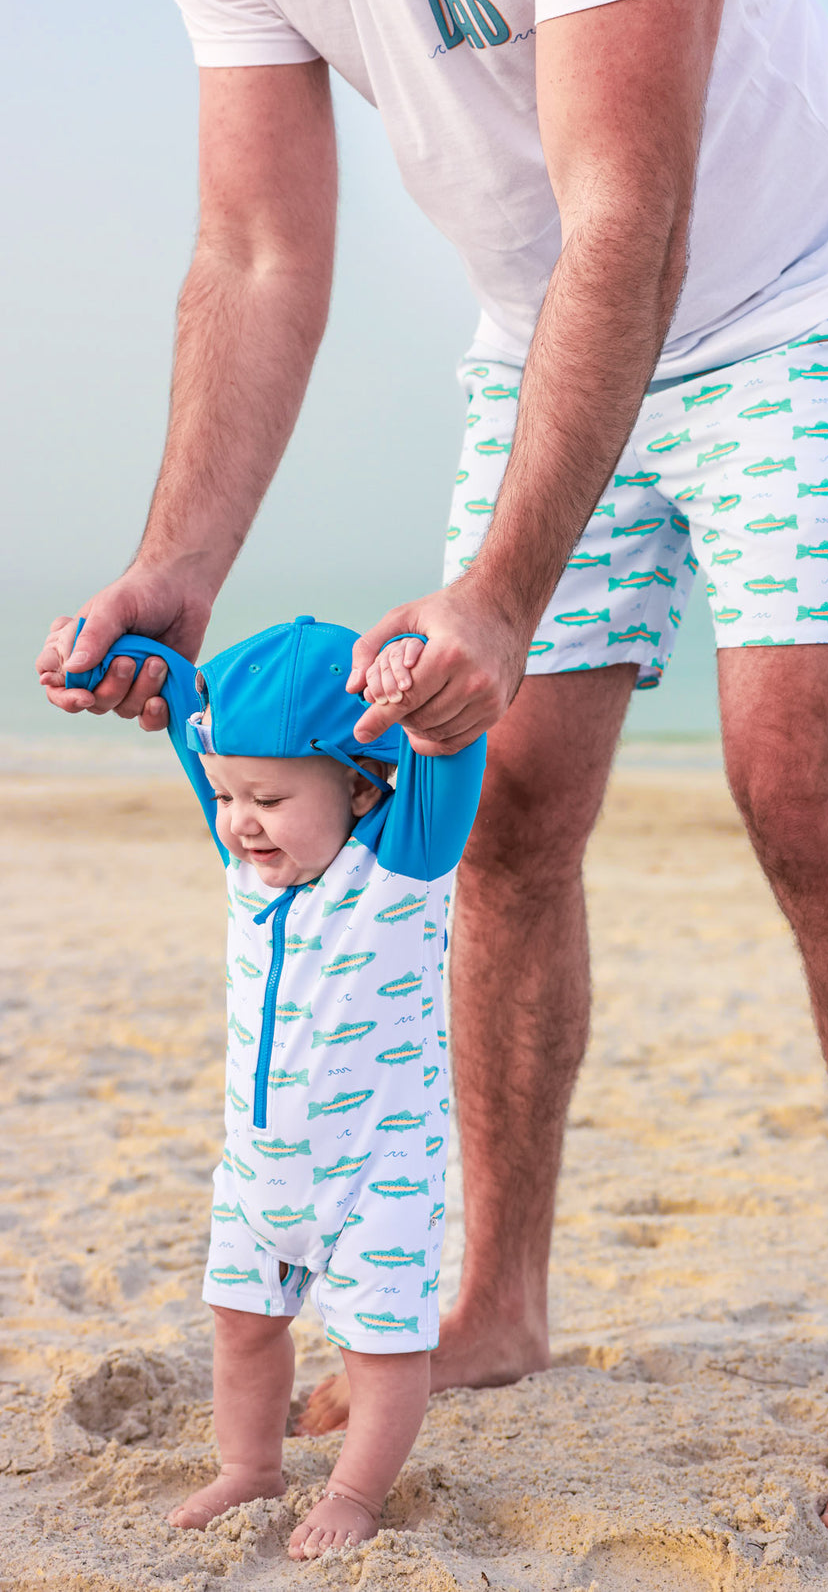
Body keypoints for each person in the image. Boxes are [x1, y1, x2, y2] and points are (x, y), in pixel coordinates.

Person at [37, 0, 828, 1537]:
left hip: (793, 305)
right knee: (495, 812)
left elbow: (634, 210)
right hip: (547, 328)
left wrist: (501, 599)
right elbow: (255, 245)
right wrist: (179, 562)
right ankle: (496, 1299)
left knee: (798, 791)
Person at [67, 617, 485, 1558]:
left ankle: (354, 1491)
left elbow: (454, 745)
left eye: (267, 796)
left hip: (375, 1172)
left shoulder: (403, 868)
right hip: (258, 1166)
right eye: (225, 795)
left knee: (381, 1348)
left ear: (357, 779)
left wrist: (413, 687)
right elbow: (184, 714)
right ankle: (250, 1468)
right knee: (242, 1324)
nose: (238, 819)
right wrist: (127, 661)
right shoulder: (252, 872)